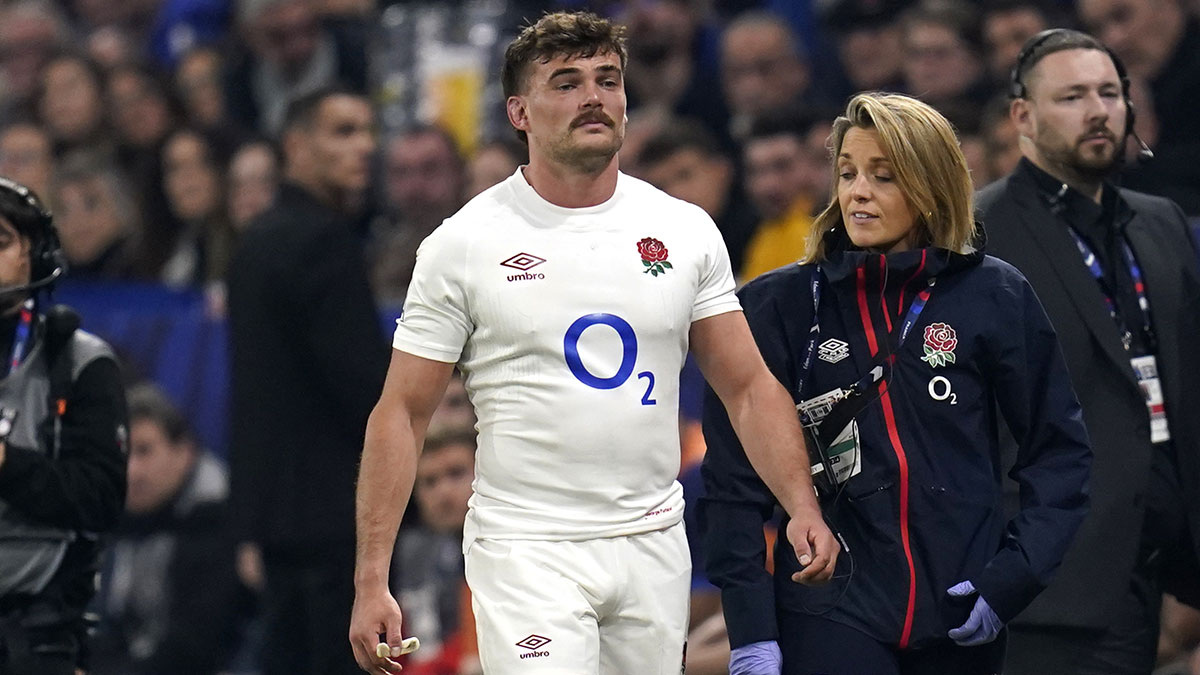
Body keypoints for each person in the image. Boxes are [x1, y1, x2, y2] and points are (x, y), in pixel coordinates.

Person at [350, 11, 839, 675]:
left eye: (608, 80)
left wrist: (800, 502)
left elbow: (748, 387)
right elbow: (402, 412)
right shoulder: (462, 245)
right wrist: (371, 577)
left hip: (652, 541)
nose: (593, 97)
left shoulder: (684, 231)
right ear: (519, 111)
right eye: (567, 82)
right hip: (528, 545)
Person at [702, 92, 1092, 675]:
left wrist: (1011, 577)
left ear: (931, 185)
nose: (857, 192)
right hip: (828, 604)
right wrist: (751, 629)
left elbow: (1059, 452)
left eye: (883, 177)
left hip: (959, 606)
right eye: (847, 173)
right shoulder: (775, 305)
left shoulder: (997, 295)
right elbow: (733, 481)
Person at [977, 29, 1200, 675]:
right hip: (1045, 578)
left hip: (1156, 560)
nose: (1098, 110)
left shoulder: (1160, 221)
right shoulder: (977, 234)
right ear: (1024, 116)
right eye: (1072, 96)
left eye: (1110, 93)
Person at [227, 86, 388, 675]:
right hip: (336, 514)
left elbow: (249, 398)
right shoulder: (323, 241)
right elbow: (361, 387)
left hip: (279, 518)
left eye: (367, 132)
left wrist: (248, 521)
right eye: (343, 132)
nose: (365, 147)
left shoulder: (256, 240)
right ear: (296, 145)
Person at [0, 176, 128, 674]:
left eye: (1, 241)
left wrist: (8, 463)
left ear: (35, 253)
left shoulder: (78, 361)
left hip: (39, 627)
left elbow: (100, 498)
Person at [91, 382, 246, 675]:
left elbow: (192, 647)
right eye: (123, 453)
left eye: (145, 451)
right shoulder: (116, 521)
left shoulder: (216, 520)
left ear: (184, 453)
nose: (132, 471)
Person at [390, 426, 480, 675]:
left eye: (456, 473)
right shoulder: (409, 552)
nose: (443, 492)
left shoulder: (510, 546)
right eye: (429, 481)